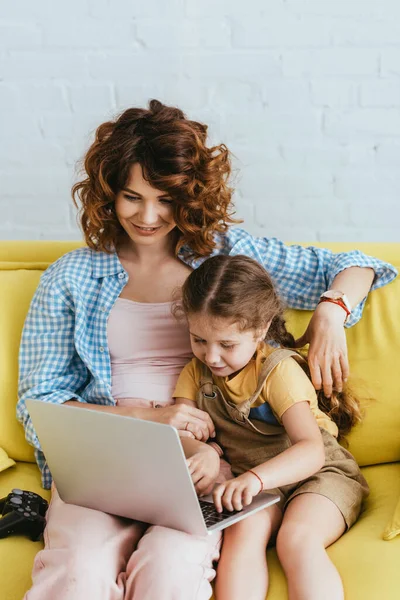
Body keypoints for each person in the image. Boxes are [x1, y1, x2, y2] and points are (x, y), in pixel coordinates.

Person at [17, 99, 396, 600]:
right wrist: (152, 418)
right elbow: (37, 407)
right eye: (131, 197)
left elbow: (358, 265)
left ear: (188, 195)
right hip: (103, 459)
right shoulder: (71, 277)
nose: (148, 216)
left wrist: (330, 311)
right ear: (106, 195)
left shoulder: (223, 256)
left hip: (203, 463)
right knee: (76, 574)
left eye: (165, 199)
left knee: (170, 573)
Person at [173, 254, 370, 600]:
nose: (212, 357)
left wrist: (254, 479)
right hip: (258, 485)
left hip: (320, 474)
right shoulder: (194, 373)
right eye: (199, 340)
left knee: (296, 539)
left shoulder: (277, 372)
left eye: (227, 344)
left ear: (260, 330)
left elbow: (311, 449)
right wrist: (201, 450)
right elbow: (179, 433)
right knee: (242, 532)